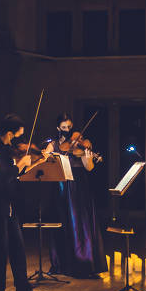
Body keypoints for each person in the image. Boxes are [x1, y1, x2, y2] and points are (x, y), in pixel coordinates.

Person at [0, 114, 49, 291]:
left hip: (9, 203)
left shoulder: (4, 147)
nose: (17, 141)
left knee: (18, 248)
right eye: (16, 136)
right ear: (9, 133)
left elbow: (13, 176)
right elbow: (0, 178)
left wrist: (34, 163)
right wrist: (19, 164)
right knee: (0, 250)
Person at [44, 113, 108, 278]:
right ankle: (62, 263)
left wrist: (88, 158)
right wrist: (47, 156)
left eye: (70, 127)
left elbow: (89, 168)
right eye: (64, 128)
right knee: (63, 223)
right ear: (59, 128)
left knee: (81, 224)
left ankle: (84, 263)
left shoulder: (84, 143)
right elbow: (45, 163)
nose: (68, 131)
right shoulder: (53, 144)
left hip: (79, 186)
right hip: (61, 186)